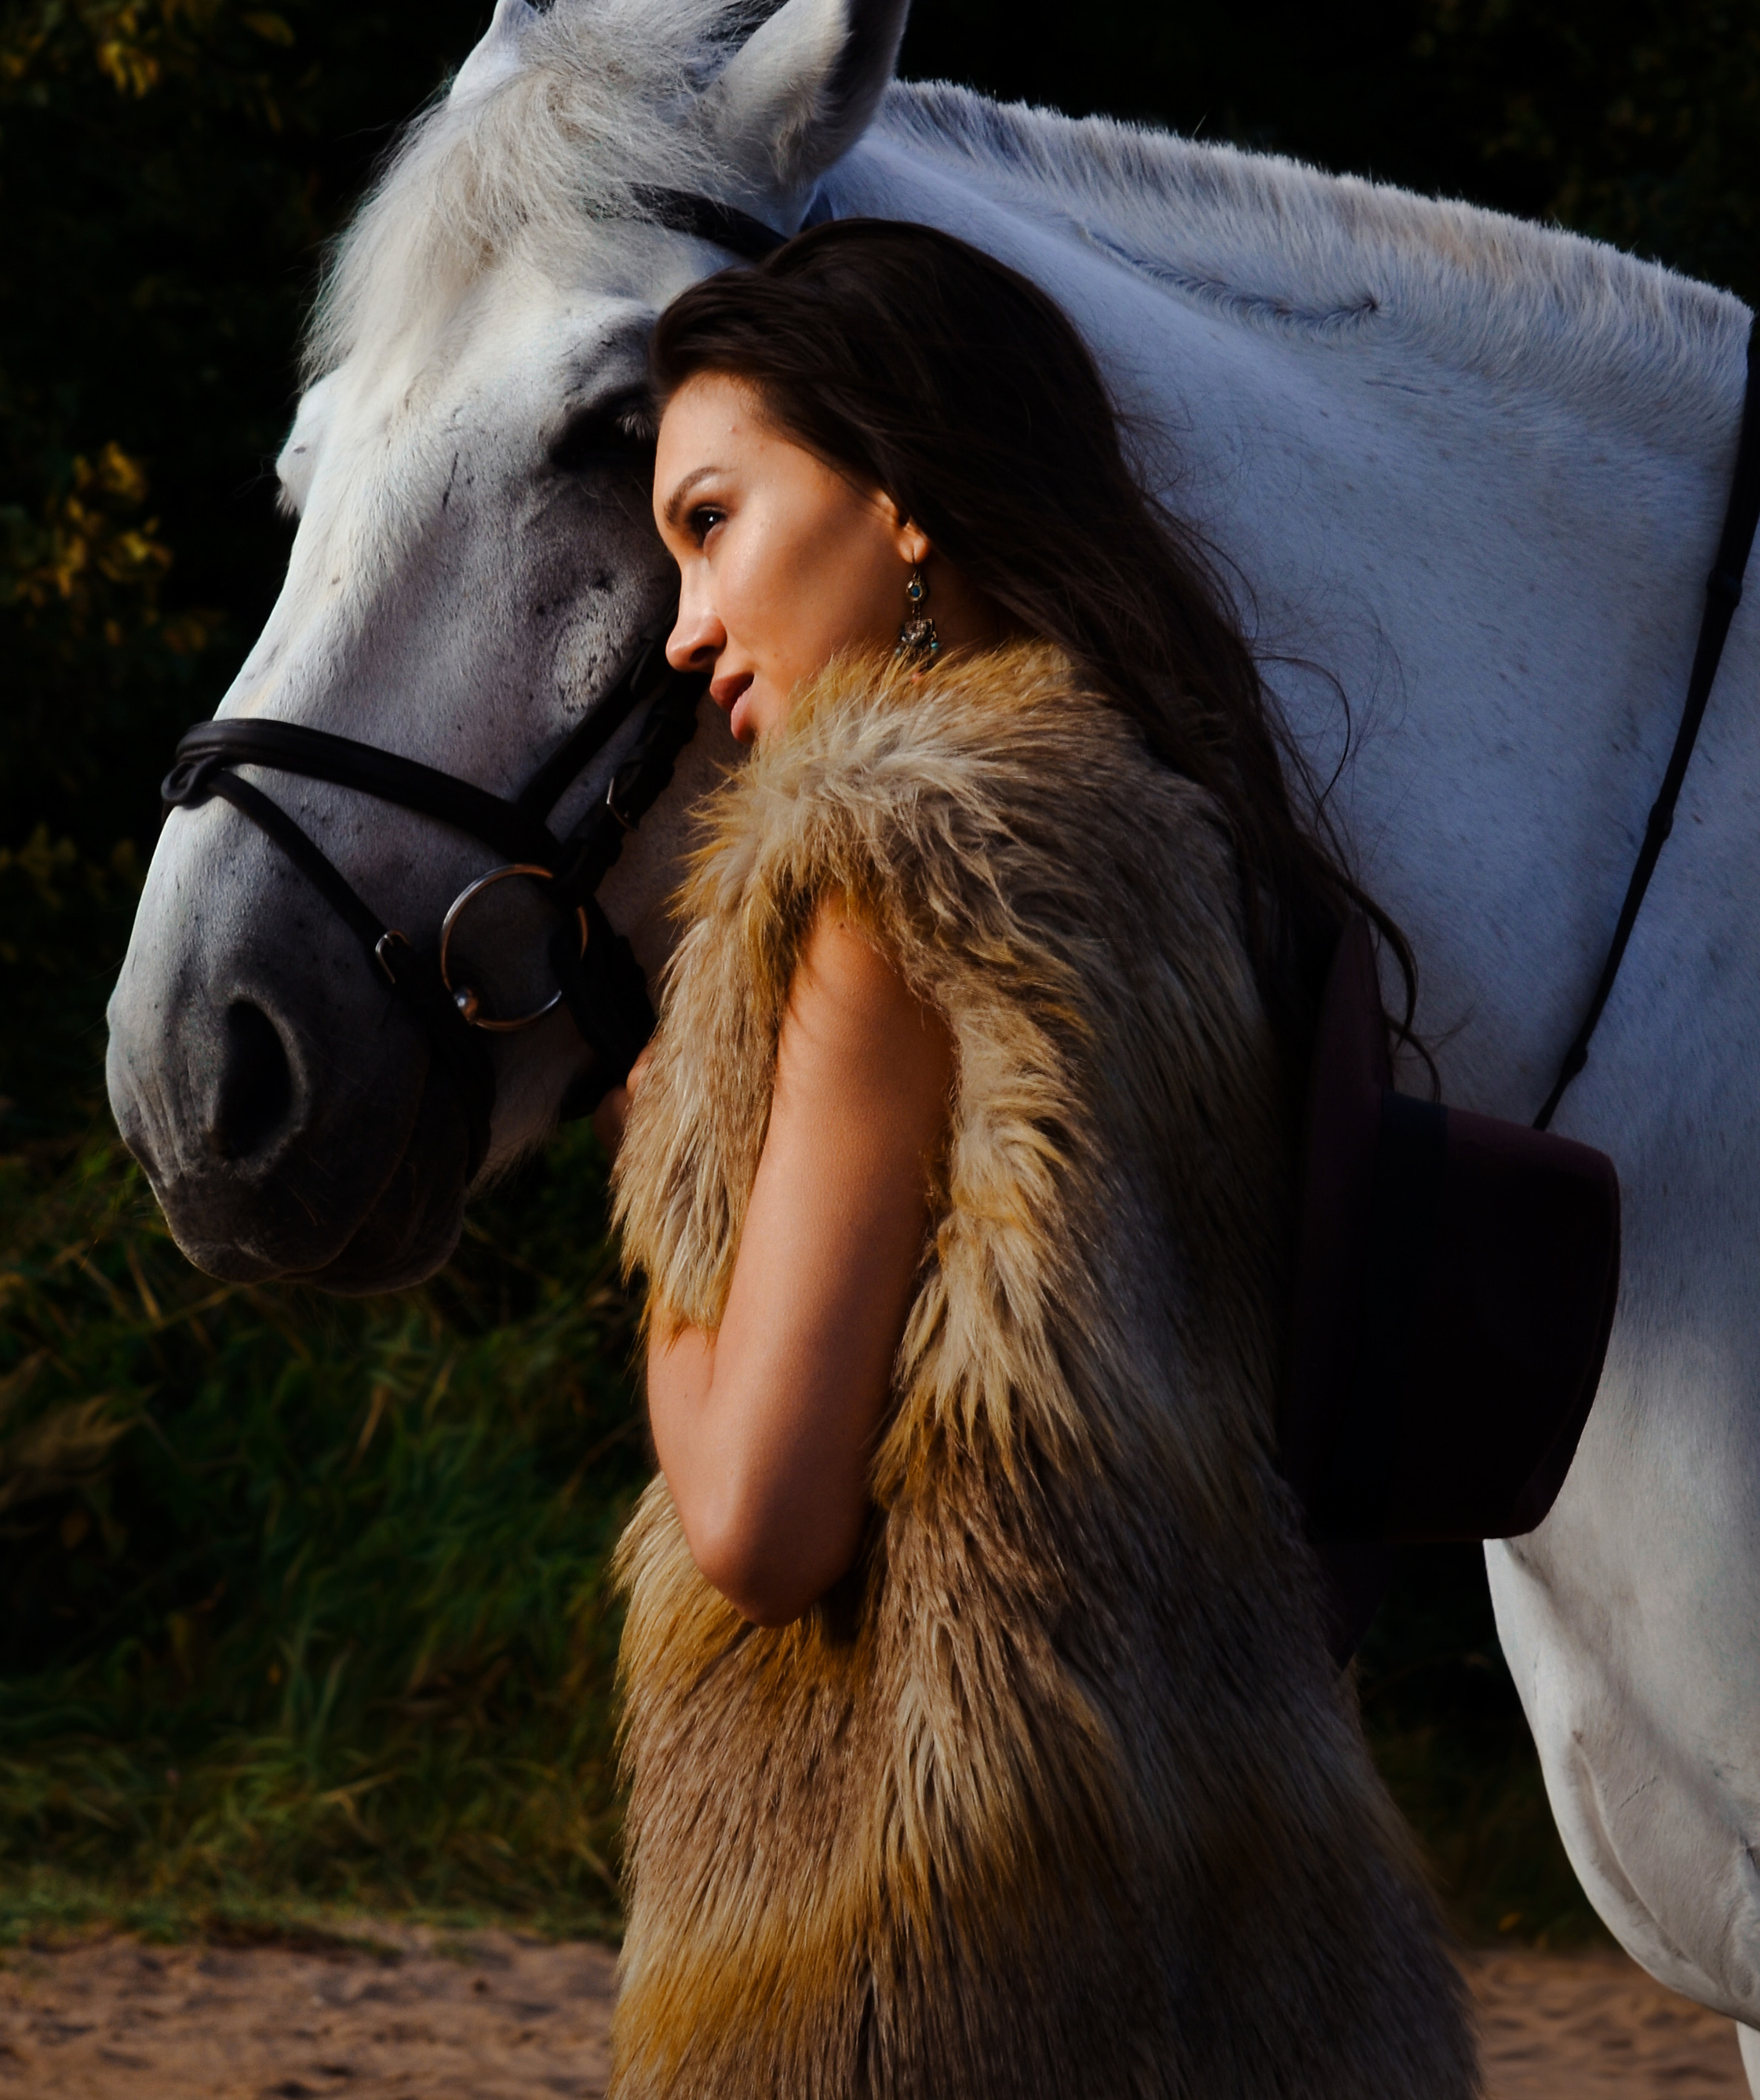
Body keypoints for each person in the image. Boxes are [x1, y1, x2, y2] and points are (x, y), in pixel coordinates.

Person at [602, 220, 1476, 2100]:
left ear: (898, 497)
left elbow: (760, 1519)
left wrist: (668, 1191)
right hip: (1245, 1940)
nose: (679, 621)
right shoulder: (1191, 852)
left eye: (707, 520)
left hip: (923, 1961)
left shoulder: (876, 871)